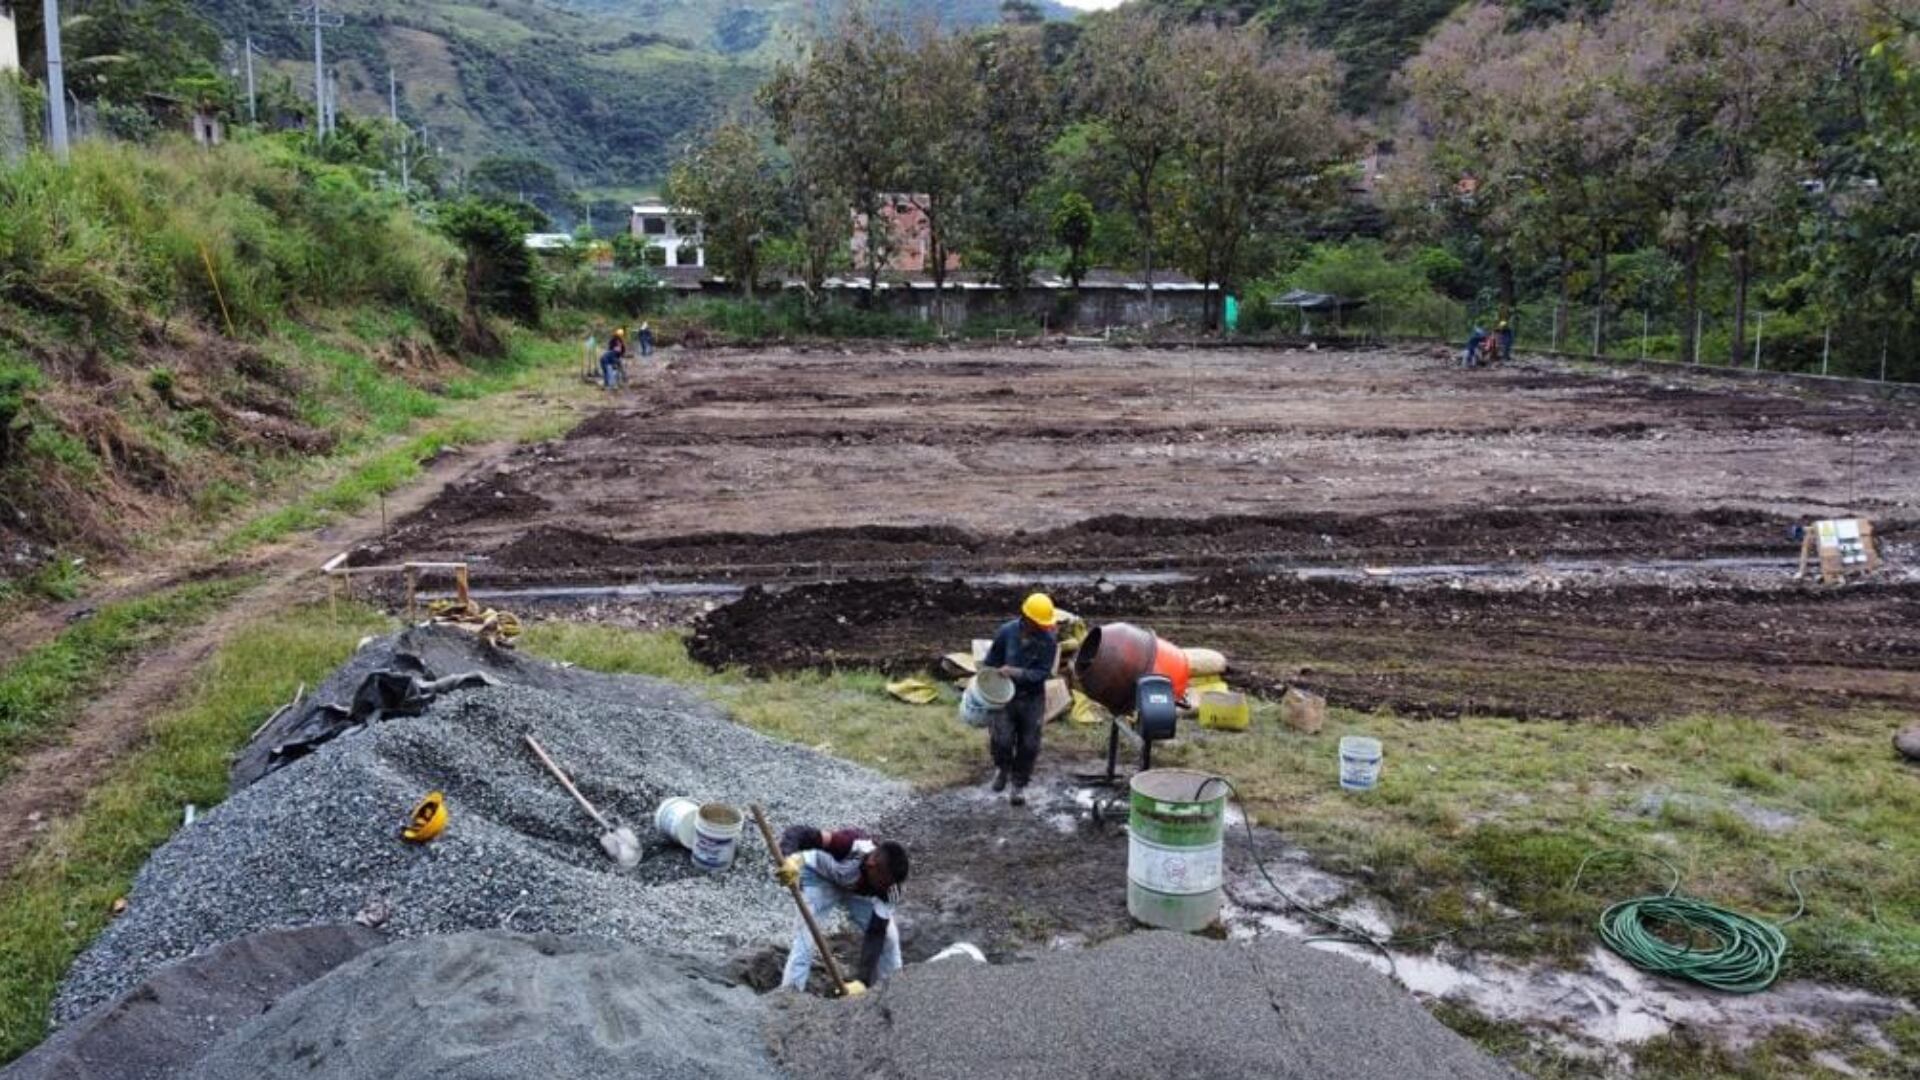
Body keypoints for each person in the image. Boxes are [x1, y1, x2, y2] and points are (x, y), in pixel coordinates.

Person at [776, 825, 911, 996]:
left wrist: (863, 980)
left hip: (858, 891)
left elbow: (876, 932)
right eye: (883, 882)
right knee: (805, 940)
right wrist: (790, 860)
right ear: (871, 864)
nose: (886, 888)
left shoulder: (889, 889)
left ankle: (892, 992)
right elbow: (797, 833)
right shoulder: (848, 845)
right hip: (820, 877)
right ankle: (789, 998)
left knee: (889, 939)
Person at [983, 592, 1060, 806]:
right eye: (1040, 623)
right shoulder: (1006, 632)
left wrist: (1016, 672)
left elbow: (1042, 673)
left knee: (1029, 744)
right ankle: (1002, 769)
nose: (1045, 627)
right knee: (1002, 738)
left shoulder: (1048, 641)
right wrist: (987, 681)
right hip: (1004, 697)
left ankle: (1018, 784)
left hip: (1032, 698)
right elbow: (991, 662)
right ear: (1028, 618)